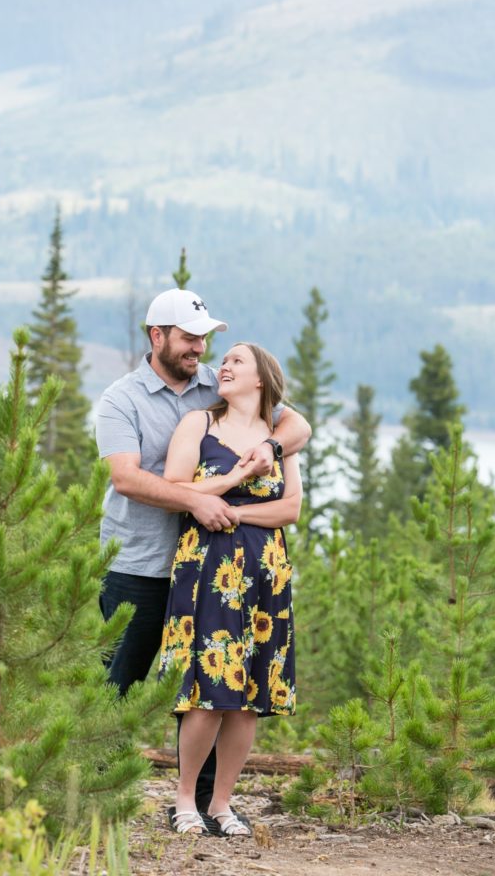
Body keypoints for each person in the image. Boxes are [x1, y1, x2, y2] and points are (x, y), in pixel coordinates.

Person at [95, 288, 310, 810]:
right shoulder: (120, 400)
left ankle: (206, 803)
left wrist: (271, 449)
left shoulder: (217, 383)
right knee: (120, 678)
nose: (200, 349)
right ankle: (89, 783)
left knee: (211, 684)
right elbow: (128, 479)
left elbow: (296, 422)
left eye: (205, 339)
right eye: (190, 339)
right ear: (158, 336)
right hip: (140, 563)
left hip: (214, 566)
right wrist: (198, 502)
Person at [158, 342, 301, 836]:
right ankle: (184, 802)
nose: (224, 365)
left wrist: (237, 512)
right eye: (225, 360)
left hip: (267, 571)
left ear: (261, 378)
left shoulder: (277, 437)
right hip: (208, 567)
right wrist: (239, 475)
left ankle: (221, 804)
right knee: (207, 687)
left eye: (237, 360)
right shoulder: (199, 424)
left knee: (248, 694)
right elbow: (177, 488)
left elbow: (289, 510)